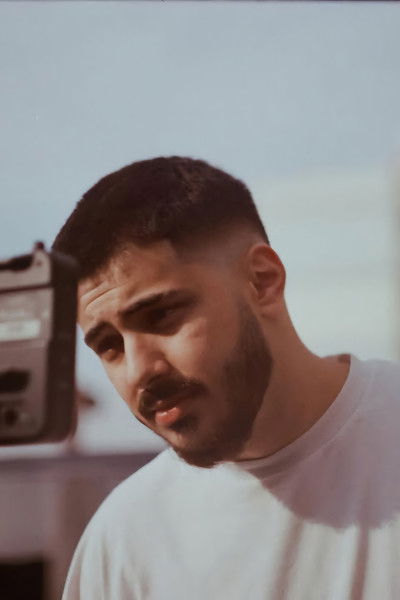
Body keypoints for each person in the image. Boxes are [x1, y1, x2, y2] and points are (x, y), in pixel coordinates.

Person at [54, 156, 400, 599]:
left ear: (261, 281)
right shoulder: (123, 539)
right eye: (109, 346)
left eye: (161, 315)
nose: (139, 370)